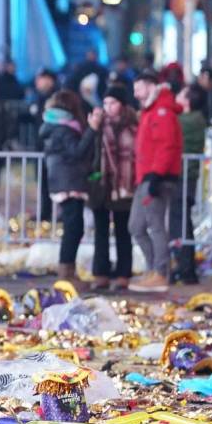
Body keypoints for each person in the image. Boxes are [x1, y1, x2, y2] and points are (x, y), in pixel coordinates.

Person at [128, 71, 182, 293]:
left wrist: (156, 175)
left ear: (151, 86)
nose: (136, 93)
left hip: (156, 178)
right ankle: (155, 269)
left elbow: (166, 146)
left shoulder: (161, 113)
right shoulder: (151, 112)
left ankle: (160, 272)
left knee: (155, 225)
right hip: (147, 176)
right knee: (136, 226)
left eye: (139, 88)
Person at [40, 90, 95, 279]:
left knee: (74, 226)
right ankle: (66, 272)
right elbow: (77, 152)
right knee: (73, 228)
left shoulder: (54, 126)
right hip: (69, 182)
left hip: (63, 180)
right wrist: (92, 130)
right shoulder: (65, 128)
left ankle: (68, 270)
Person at [88, 84, 137, 290]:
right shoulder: (98, 124)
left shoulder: (132, 125)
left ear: (123, 105)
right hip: (102, 183)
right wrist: (92, 128)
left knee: (123, 230)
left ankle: (123, 274)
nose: (108, 106)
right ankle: (101, 273)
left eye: (113, 102)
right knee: (100, 230)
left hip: (124, 185)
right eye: (106, 102)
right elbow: (89, 149)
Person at [172, 84, 206, 284]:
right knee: (183, 221)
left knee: (181, 222)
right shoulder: (195, 119)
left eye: (181, 94)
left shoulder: (188, 121)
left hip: (184, 176)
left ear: (188, 100)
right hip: (186, 175)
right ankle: (186, 267)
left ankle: (185, 268)